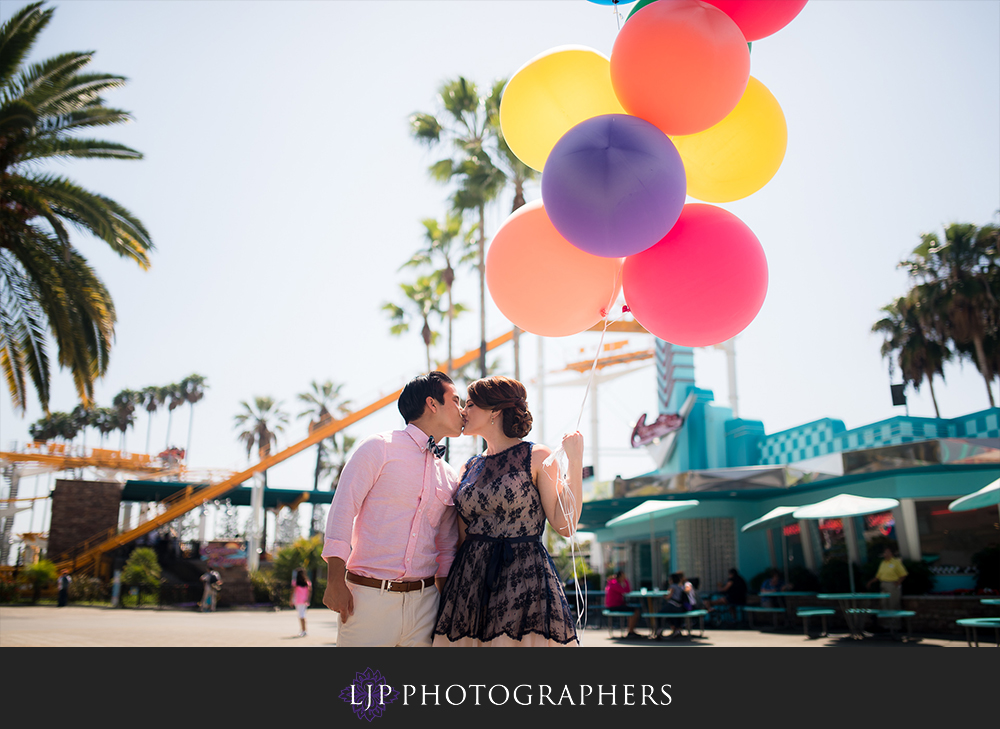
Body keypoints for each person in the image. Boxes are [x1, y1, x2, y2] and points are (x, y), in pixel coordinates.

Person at [433, 375, 584, 647]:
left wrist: (575, 462)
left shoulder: (537, 456)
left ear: (494, 412)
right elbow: (460, 537)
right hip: (469, 584)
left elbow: (565, 525)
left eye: (470, 405)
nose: (463, 412)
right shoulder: (468, 467)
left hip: (523, 582)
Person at [322, 371, 464, 647]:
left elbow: (446, 545)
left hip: (425, 604)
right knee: (361, 691)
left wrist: (445, 602)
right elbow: (342, 509)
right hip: (367, 599)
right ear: (432, 404)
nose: (462, 410)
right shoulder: (378, 448)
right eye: (456, 401)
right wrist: (335, 581)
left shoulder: (449, 475)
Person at [604, 569, 642, 639]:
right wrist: (626, 581)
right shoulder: (614, 584)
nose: (624, 577)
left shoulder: (613, 583)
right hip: (614, 606)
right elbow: (626, 591)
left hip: (616, 604)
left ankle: (631, 630)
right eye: (623, 576)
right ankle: (630, 631)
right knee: (635, 611)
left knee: (632, 610)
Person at [867, 547, 907, 611]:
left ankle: (895, 620)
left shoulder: (896, 562)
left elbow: (903, 574)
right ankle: (887, 620)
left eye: (887, 552)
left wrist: (897, 583)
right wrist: (870, 582)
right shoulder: (883, 563)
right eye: (885, 552)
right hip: (883, 585)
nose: (885, 554)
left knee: (893, 604)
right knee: (884, 604)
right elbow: (878, 576)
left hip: (892, 585)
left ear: (891, 554)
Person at [290, 568, 312, 637]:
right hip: (304, 600)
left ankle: (304, 630)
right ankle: (303, 629)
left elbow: (292, 592)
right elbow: (309, 592)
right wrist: (308, 599)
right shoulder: (307, 582)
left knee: (301, 615)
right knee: (302, 614)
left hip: (298, 600)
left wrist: (291, 600)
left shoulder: (295, 582)